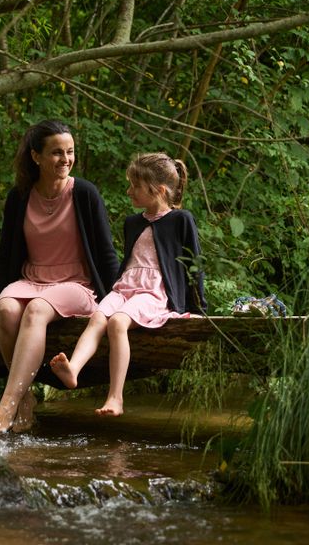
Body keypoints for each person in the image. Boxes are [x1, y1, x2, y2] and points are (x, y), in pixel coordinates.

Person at [0, 120, 119, 434]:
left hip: (76, 284)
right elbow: (6, 253)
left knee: (37, 309)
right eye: (56, 152)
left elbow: (106, 253)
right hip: (31, 280)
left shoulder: (84, 193)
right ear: (36, 157)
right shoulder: (20, 197)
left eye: (70, 152)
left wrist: (116, 301)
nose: (65, 159)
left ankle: (6, 406)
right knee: (7, 309)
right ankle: (25, 398)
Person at [49, 152, 207, 417]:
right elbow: (127, 263)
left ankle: (115, 397)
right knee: (99, 317)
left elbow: (194, 264)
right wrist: (108, 292)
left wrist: (199, 308)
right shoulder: (132, 222)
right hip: (126, 287)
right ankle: (74, 370)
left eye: (135, 185)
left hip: (155, 291)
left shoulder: (181, 219)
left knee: (117, 322)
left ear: (158, 190)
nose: (128, 190)